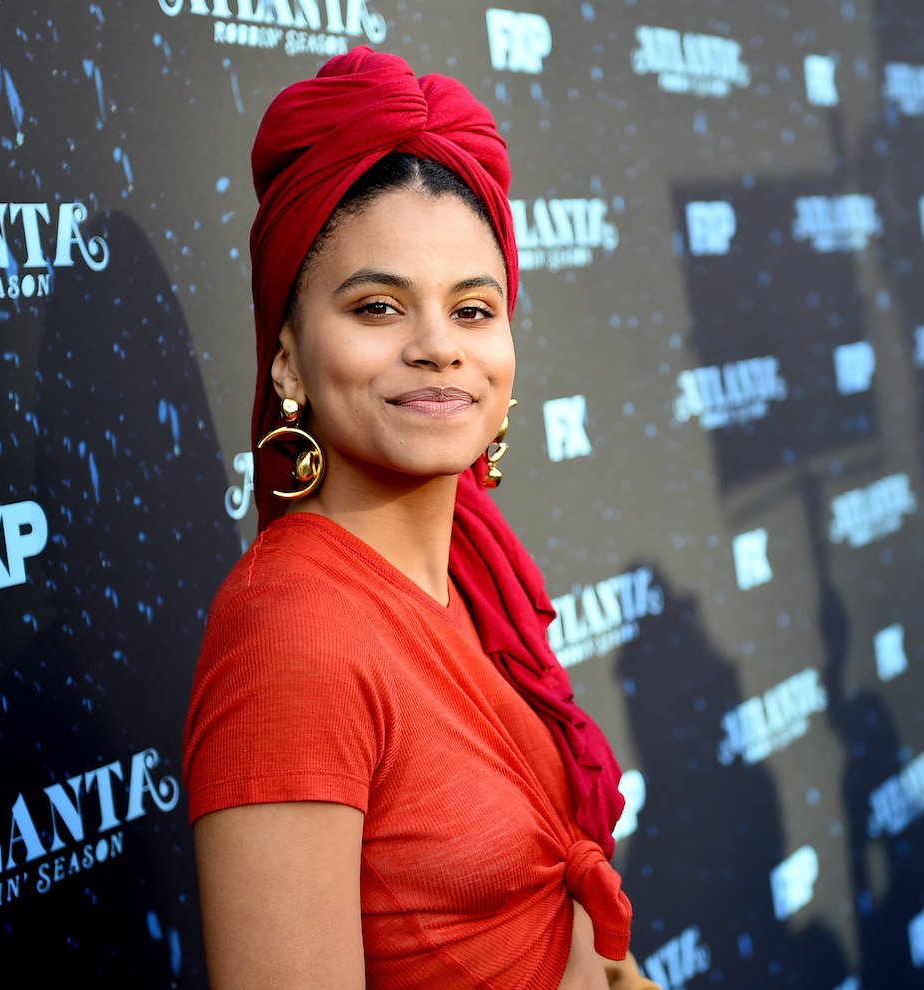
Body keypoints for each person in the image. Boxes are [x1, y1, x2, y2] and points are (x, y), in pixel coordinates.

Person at [181, 47, 659, 989]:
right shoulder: (293, 636)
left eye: (474, 310)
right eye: (378, 306)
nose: (439, 348)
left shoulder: (478, 579)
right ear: (285, 360)